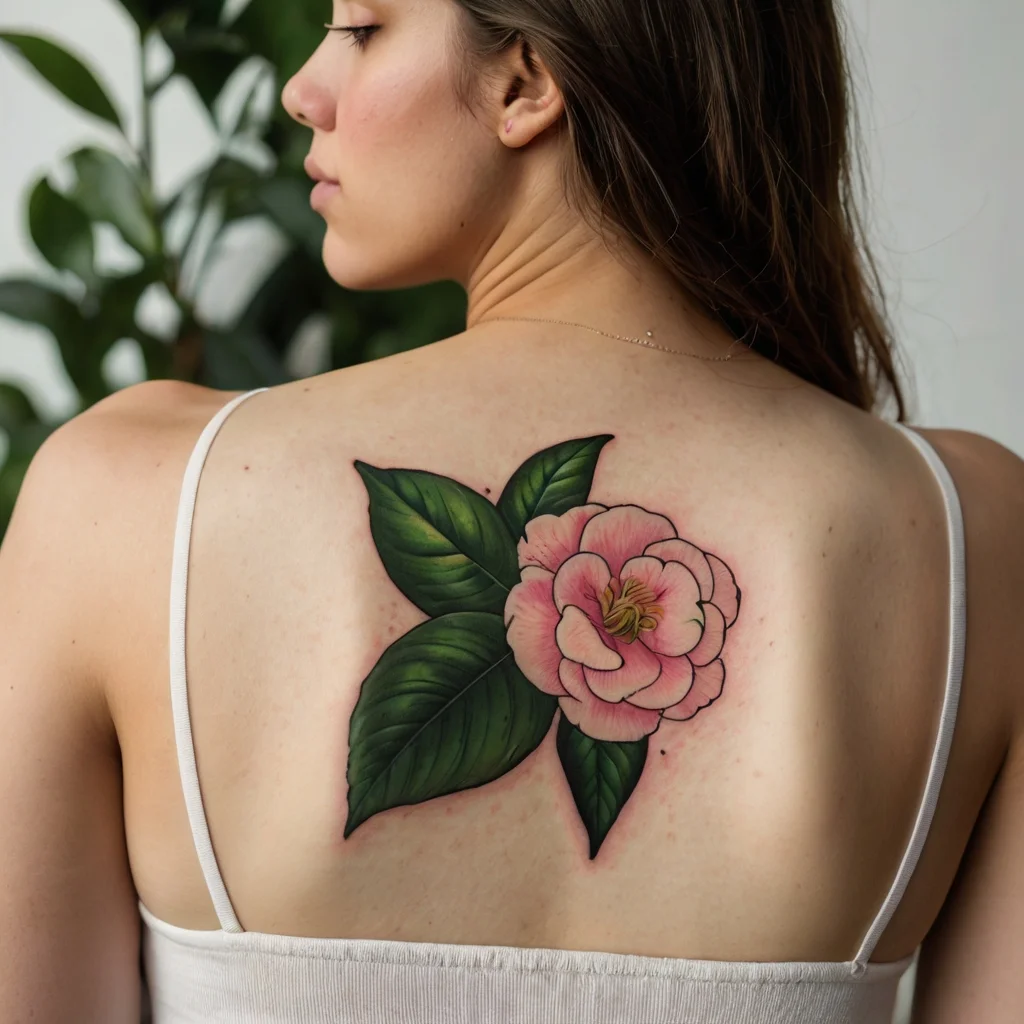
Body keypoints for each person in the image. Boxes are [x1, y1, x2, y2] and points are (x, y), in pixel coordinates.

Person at [0, 1, 1020, 1021]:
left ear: (524, 82)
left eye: (359, 28)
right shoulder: (971, 541)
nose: (302, 90)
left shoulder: (127, 505)